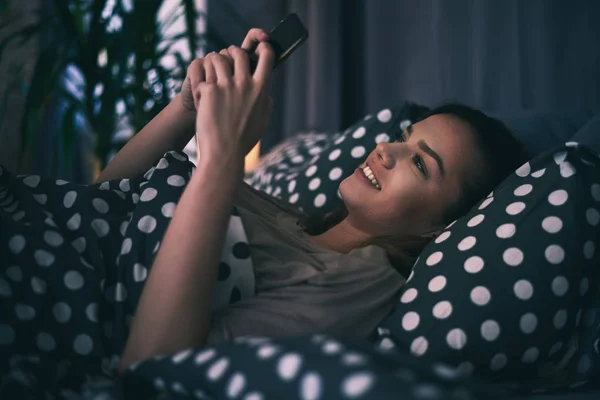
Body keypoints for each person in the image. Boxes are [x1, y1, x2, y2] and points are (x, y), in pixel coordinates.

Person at [0, 27, 529, 381]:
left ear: (444, 227)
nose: (387, 149)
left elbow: (152, 367)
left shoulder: (361, 282)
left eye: (420, 163)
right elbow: (103, 203)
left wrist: (223, 156)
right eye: (406, 136)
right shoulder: (288, 216)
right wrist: (186, 107)